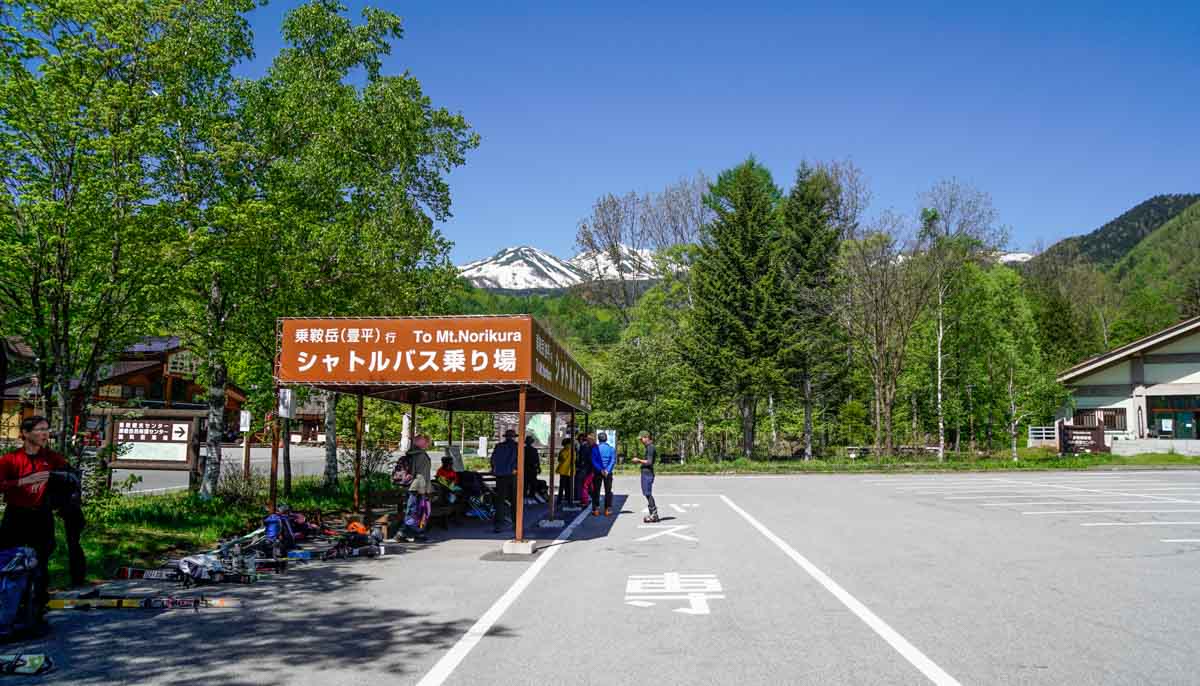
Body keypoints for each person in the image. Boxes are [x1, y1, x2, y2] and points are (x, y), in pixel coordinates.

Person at [0, 416, 68, 620]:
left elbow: (70, 480)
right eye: (39, 429)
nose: (45, 433)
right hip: (16, 515)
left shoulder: (53, 458)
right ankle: (9, 605)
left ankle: (37, 607)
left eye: (47, 429)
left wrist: (57, 488)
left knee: (41, 561)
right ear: (26, 433)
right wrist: (23, 481)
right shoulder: (10, 460)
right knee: (9, 560)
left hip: (42, 516)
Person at [402, 434, 433, 542]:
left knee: (414, 511)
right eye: (427, 441)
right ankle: (408, 533)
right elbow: (420, 473)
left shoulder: (413, 454)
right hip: (419, 487)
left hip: (415, 487)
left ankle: (409, 532)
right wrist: (426, 490)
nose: (428, 444)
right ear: (421, 442)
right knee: (415, 511)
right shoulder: (420, 454)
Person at [490, 428, 518, 534]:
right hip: (512, 476)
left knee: (500, 501)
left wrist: (495, 469)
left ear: (506, 437)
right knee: (514, 501)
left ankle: (498, 525)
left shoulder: (498, 446)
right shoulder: (517, 447)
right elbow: (519, 461)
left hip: (500, 476)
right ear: (514, 437)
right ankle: (516, 523)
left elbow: (493, 460)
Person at [632, 431, 658, 523]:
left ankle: (654, 514)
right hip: (646, 473)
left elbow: (649, 462)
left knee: (648, 493)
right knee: (646, 493)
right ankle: (653, 513)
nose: (641, 441)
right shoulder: (648, 447)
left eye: (641, 439)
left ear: (647, 437)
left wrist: (638, 460)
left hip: (648, 473)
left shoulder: (650, 447)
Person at [590, 431, 616, 517]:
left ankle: (596, 509)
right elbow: (612, 460)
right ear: (606, 439)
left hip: (598, 472)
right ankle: (607, 509)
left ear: (598, 439)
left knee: (596, 490)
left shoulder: (594, 449)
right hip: (608, 473)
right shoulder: (611, 449)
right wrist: (607, 470)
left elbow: (593, 461)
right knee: (608, 491)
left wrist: (600, 469)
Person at [555, 432, 575, 508]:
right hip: (570, 470)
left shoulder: (563, 450)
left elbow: (560, 459)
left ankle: (559, 500)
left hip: (563, 470)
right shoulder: (573, 450)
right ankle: (569, 499)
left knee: (562, 486)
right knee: (569, 486)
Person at [523, 435, 543, 504]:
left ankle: (526, 495)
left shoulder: (523, 449)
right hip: (531, 468)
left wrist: (538, 467)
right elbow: (537, 460)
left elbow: (537, 460)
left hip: (526, 468)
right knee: (531, 483)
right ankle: (531, 495)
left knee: (527, 483)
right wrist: (538, 467)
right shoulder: (534, 450)